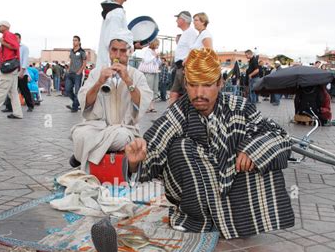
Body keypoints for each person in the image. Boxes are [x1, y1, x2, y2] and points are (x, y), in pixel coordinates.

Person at [125, 48, 295, 238]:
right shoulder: (178, 112)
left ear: (219, 83)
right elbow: (153, 148)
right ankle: (200, 219)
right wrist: (134, 162)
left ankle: (235, 219)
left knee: (261, 150)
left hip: (235, 192)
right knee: (180, 147)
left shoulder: (240, 107)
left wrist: (253, 151)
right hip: (196, 199)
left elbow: (279, 136)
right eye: (193, 85)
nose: (199, 93)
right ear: (186, 85)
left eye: (206, 85)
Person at [70, 30, 152, 169]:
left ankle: (81, 155)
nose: (118, 55)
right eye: (114, 50)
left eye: (122, 51)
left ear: (129, 52)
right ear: (109, 51)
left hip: (123, 129)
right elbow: (86, 103)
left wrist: (128, 80)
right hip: (97, 126)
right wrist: (99, 82)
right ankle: (89, 149)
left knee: (121, 138)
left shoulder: (137, 76)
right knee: (79, 134)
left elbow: (142, 103)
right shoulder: (97, 73)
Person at [168, 11, 198, 105]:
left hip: (184, 68)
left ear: (183, 20)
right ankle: (170, 117)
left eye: (178, 18)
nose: (176, 20)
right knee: (173, 93)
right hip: (179, 68)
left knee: (188, 94)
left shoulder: (191, 32)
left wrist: (187, 66)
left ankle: (191, 117)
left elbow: (193, 50)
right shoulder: (186, 33)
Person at [3, 33, 34, 113]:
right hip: (12, 72)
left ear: (20, 39)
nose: (15, 39)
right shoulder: (11, 48)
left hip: (21, 72)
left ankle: (30, 105)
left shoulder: (24, 48)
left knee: (24, 90)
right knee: (11, 90)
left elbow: (25, 60)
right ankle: (9, 107)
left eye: (17, 38)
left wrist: (22, 71)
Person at [65, 36, 87, 113]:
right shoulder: (71, 51)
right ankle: (77, 103)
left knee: (77, 91)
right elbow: (71, 61)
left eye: (75, 40)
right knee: (67, 90)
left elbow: (84, 63)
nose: (74, 42)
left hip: (77, 74)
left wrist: (80, 71)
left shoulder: (82, 51)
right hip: (70, 73)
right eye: (73, 40)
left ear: (79, 42)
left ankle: (74, 107)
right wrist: (68, 70)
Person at [139, 38, 161, 113]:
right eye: (157, 44)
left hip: (155, 72)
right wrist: (154, 56)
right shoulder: (148, 51)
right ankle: (146, 107)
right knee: (148, 89)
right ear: (153, 44)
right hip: (149, 72)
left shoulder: (155, 52)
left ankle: (151, 107)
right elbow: (146, 60)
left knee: (154, 90)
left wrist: (157, 57)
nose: (158, 46)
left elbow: (158, 63)